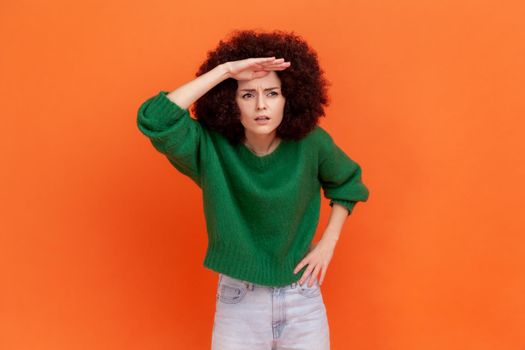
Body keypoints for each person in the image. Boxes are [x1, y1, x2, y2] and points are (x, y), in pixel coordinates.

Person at [136, 29, 370, 350]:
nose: (261, 105)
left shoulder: (311, 143)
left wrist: (328, 242)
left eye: (272, 93)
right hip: (239, 300)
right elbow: (154, 119)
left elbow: (347, 183)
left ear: (290, 97)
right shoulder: (210, 148)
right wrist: (225, 72)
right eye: (247, 94)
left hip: (300, 296)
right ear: (230, 102)